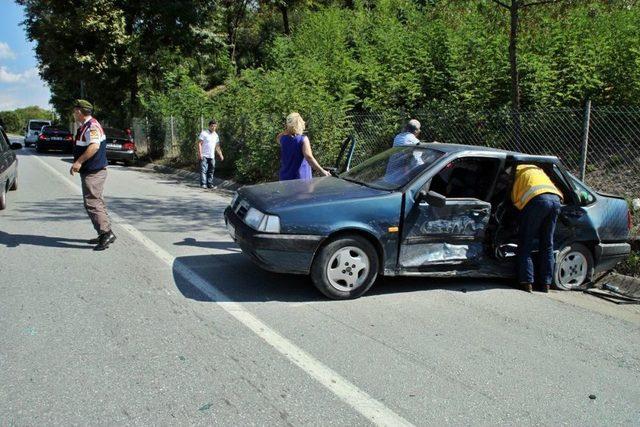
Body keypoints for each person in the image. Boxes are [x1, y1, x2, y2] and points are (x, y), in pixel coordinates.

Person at [69, 99, 115, 251]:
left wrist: (79, 162)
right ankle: (105, 232)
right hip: (92, 170)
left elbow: (94, 146)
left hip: (93, 171)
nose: (74, 113)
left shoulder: (92, 126)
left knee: (92, 203)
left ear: (80, 112)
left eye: (75, 110)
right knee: (97, 201)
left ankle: (105, 233)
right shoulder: (86, 126)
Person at [511, 164, 564, 293]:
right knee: (547, 243)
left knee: (526, 241)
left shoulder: (515, 172)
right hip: (556, 200)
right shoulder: (536, 169)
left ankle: (527, 282)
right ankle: (546, 283)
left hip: (537, 201)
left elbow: (514, 201)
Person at [276, 112, 329, 181]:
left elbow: (278, 137)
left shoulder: (282, 138)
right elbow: (309, 157)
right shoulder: (303, 139)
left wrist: (288, 130)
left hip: (285, 178)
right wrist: (323, 171)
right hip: (301, 180)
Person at [197, 119, 224, 189]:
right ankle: (203, 184)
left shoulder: (216, 135)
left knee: (211, 170)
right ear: (209, 126)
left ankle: (210, 184)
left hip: (212, 156)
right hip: (204, 155)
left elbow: (217, 146)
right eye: (212, 126)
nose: (213, 128)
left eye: (215, 126)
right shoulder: (204, 133)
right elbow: (199, 143)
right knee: (203, 170)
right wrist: (200, 153)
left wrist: (221, 155)